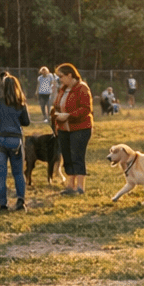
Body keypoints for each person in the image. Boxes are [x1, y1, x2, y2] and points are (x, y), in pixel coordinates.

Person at [0, 73, 31, 211]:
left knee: (1, 174)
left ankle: (3, 205)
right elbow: (26, 122)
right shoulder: (20, 103)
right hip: (14, 139)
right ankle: (20, 202)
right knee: (18, 173)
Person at [50, 62, 92, 195]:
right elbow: (57, 105)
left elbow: (86, 109)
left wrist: (69, 116)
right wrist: (55, 115)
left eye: (61, 76)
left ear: (70, 75)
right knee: (67, 156)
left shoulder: (82, 88)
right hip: (64, 129)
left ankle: (80, 187)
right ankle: (70, 186)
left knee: (77, 155)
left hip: (80, 128)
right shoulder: (63, 89)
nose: (59, 80)